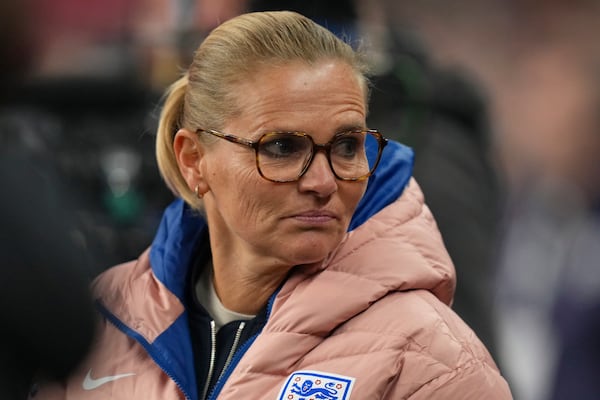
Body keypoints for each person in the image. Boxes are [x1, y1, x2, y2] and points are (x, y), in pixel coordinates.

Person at [30, 11, 511, 399]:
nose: (323, 182)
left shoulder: (433, 364)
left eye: (346, 146)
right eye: (282, 148)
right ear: (194, 159)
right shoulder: (98, 323)